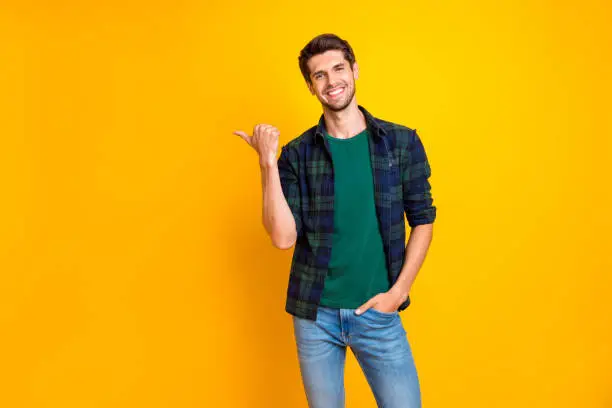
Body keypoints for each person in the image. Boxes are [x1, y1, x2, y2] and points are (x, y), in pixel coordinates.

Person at [234, 33, 436, 408]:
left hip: (378, 312)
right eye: (319, 75)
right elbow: (282, 237)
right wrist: (267, 163)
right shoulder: (296, 154)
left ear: (355, 70)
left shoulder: (401, 143)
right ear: (311, 87)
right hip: (316, 318)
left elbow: (423, 218)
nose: (331, 81)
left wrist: (400, 291)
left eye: (338, 69)